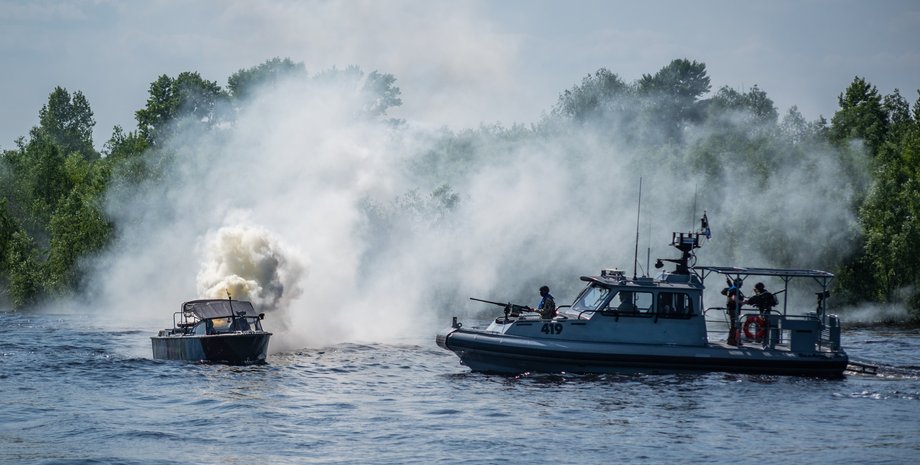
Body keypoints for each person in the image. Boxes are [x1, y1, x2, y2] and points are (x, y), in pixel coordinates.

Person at [721, 278, 744, 346]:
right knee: (734, 325)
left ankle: (735, 340)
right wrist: (743, 302)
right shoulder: (734, 290)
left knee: (736, 325)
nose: (742, 285)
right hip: (733, 310)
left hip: (733, 309)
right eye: (741, 283)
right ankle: (731, 341)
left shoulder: (732, 289)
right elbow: (734, 298)